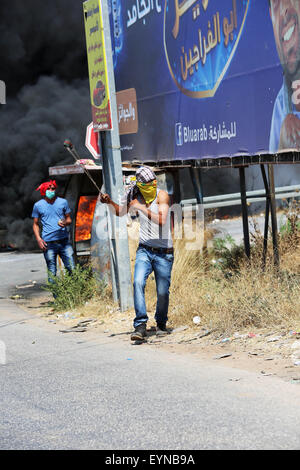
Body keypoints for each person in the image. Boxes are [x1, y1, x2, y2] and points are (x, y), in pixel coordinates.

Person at [100, 166, 174, 341]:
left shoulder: (161, 195)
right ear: (141, 185)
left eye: (154, 181)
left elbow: (162, 220)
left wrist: (140, 208)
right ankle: (140, 325)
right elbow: (120, 211)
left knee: (163, 292)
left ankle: (161, 323)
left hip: (164, 253)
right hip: (145, 250)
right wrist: (109, 202)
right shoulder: (136, 196)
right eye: (148, 183)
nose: (152, 184)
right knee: (138, 282)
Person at [269, 0, 300, 152]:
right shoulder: (281, 103)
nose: (283, 11)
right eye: (275, 3)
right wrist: (284, 146)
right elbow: (277, 172)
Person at [32, 180, 75, 284]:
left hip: (64, 242)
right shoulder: (38, 205)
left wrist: (65, 222)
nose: (51, 191)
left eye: (53, 188)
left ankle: (74, 295)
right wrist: (38, 239)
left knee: (72, 269)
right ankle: (57, 299)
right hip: (48, 244)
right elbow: (35, 224)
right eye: (48, 189)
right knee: (52, 272)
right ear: (43, 191)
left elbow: (69, 219)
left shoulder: (63, 202)